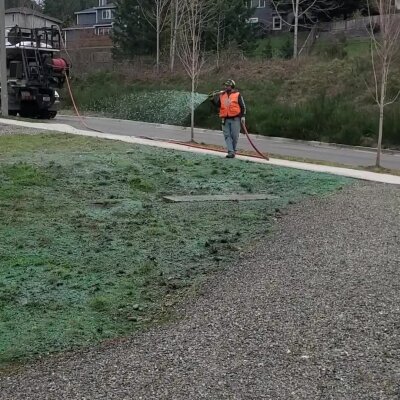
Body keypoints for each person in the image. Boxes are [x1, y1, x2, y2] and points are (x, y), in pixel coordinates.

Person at [209, 79, 246, 158]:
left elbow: (243, 106)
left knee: (235, 136)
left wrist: (243, 116)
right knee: (227, 136)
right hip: (225, 119)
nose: (225, 87)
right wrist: (212, 100)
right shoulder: (222, 95)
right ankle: (231, 151)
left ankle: (233, 150)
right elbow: (218, 105)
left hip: (235, 119)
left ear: (232, 86)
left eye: (227, 85)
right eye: (225, 85)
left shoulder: (237, 94)